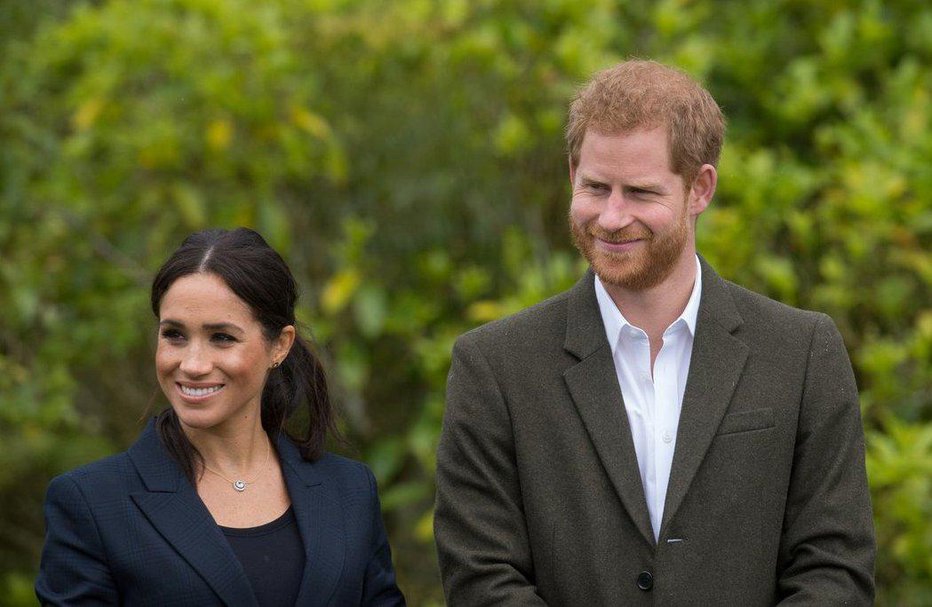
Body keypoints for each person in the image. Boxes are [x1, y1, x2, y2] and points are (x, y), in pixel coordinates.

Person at [434, 60, 875, 605]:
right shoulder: (494, 366)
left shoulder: (802, 352)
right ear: (573, 174)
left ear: (701, 188)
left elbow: (835, 569)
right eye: (596, 187)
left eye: (640, 193)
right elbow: (480, 576)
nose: (612, 218)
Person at [36, 228, 405, 606]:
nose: (193, 364)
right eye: (175, 335)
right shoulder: (92, 503)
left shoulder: (350, 491)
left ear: (280, 345)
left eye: (222, 338)